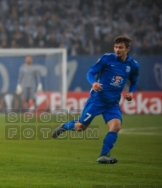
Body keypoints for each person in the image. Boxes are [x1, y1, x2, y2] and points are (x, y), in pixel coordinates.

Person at [52, 36, 139, 164]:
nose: (117, 50)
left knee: (115, 126)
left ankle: (103, 155)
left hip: (112, 103)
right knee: (81, 127)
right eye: (115, 47)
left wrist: (131, 92)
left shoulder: (133, 65)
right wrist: (93, 83)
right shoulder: (107, 58)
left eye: (120, 47)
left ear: (128, 49)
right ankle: (65, 126)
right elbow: (90, 73)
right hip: (97, 99)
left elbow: (134, 82)